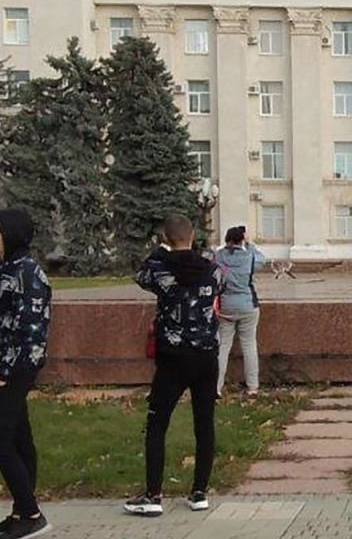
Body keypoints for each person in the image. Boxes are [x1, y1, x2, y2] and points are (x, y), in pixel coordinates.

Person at [125, 214, 223, 517]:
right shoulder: (213, 269)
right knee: (204, 422)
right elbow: (222, 286)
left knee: (157, 423)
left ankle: (154, 495)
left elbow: (141, 275)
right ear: (192, 235)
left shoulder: (159, 268)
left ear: (165, 239)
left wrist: (162, 250)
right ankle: (199, 492)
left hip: (173, 357)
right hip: (207, 356)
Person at [0, 208, 52, 539]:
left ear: (12, 233)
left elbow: (31, 332)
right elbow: (2, 324)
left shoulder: (28, 273)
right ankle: (20, 513)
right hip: (1, 368)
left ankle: (32, 514)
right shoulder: (6, 269)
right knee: (20, 439)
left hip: (16, 371)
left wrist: (3, 372)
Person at [214, 225, 266, 397]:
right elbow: (262, 259)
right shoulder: (250, 257)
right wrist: (249, 243)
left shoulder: (219, 257)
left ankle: (216, 387)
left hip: (226, 305)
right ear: (242, 240)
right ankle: (253, 387)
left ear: (227, 240)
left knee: (223, 347)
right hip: (248, 305)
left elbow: (212, 263)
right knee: (249, 346)